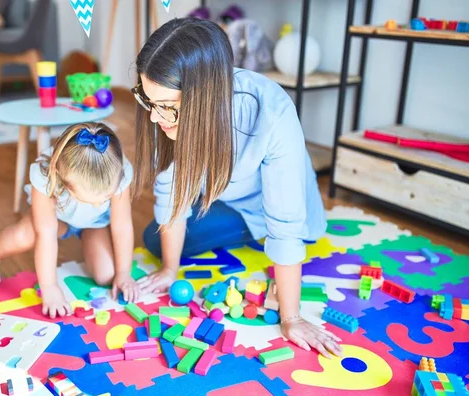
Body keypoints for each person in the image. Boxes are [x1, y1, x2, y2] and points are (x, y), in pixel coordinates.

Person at [132, 17, 342, 359]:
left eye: (168, 107)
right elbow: (171, 192)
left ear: (204, 97)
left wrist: (290, 317)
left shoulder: (271, 113)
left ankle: (253, 237)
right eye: (149, 102)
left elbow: (286, 222)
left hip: (269, 209)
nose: (155, 117)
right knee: (156, 239)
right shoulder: (164, 108)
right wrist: (170, 271)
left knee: (281, 237)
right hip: (224, 191)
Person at [0, 123, 139, 318]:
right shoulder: (46, 173)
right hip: (57, 220)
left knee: (106, 276)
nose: (98, 204)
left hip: (95, 224)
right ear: (65, 182)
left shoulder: (118, 170)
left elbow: (121, 225)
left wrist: (124, 273)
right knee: (23, 235)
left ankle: (88, 238)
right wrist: (50, 287)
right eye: (89, 200)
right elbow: (46, 233)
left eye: (105, 198)